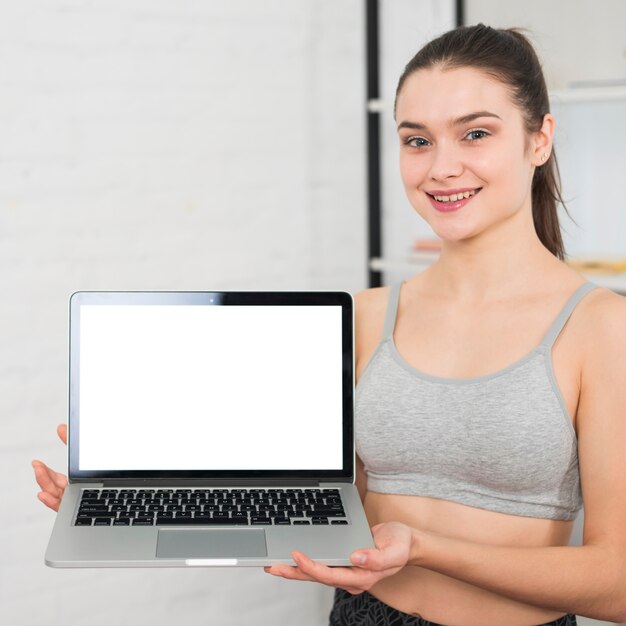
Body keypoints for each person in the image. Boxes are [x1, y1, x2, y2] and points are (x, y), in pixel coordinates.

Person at [33, 23, 626, 626]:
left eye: (475, 134)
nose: (442, 167)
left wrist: (425, 548)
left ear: (539, 139)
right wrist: (135, 492)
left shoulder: (599, 327)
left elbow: (618, 583)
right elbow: (321, 500)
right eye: (416, 141)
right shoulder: (367, 315)